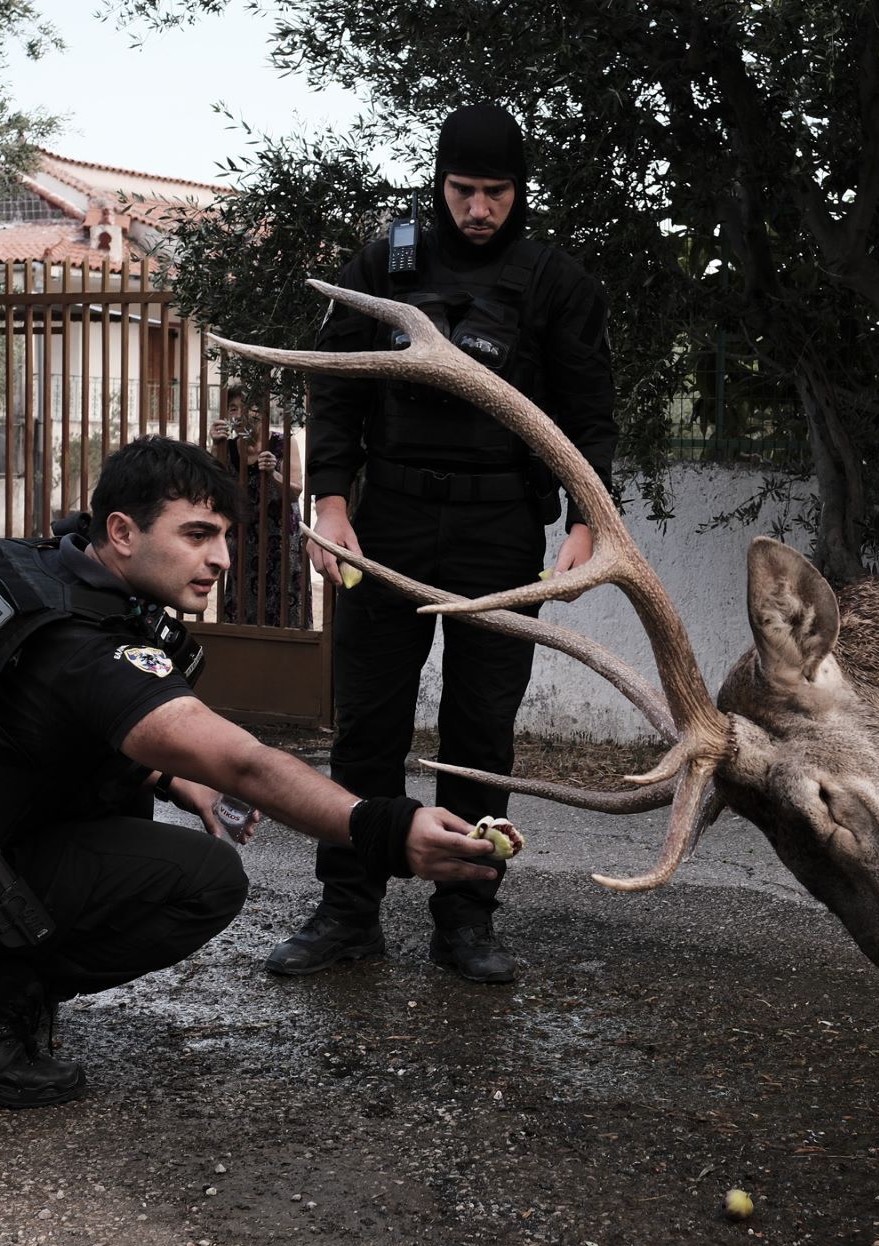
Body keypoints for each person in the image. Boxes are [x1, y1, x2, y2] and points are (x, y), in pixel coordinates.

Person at [0, 436, 502, 1108]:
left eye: (226, 536)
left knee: (129, 803)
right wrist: (386, 828)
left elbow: (17, 734)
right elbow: (245, 762)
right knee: (203, 882)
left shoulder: (29, 566)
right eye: (197, 535)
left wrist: (169, 778)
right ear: (124, 531)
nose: (222, 557)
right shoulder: (81, 647)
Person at [266, 104, 619, 985]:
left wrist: (587, 524)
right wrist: (332, 501)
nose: (479, 209)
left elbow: (588, 419)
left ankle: (466, 917)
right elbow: (336, 390)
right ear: (440, 182)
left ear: (519, 190)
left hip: (499, 527)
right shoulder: (386, 262)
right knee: (369, 727)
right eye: (464, 190)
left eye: (497, 192)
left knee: (479, 732)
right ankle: (348, 909)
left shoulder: (554, 283)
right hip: (383, 524)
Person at [213, 386, 304, 627]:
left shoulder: (284, 443)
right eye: (233, 408)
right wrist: (215, 446)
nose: (241, 414)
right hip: (243, 540)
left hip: (282, 540)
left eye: (248, 407)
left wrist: (273, 473)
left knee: (285, 604)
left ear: (261, 412)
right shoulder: (227, 447)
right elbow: (212, 489)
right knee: (242, 606)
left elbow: (296, 493)